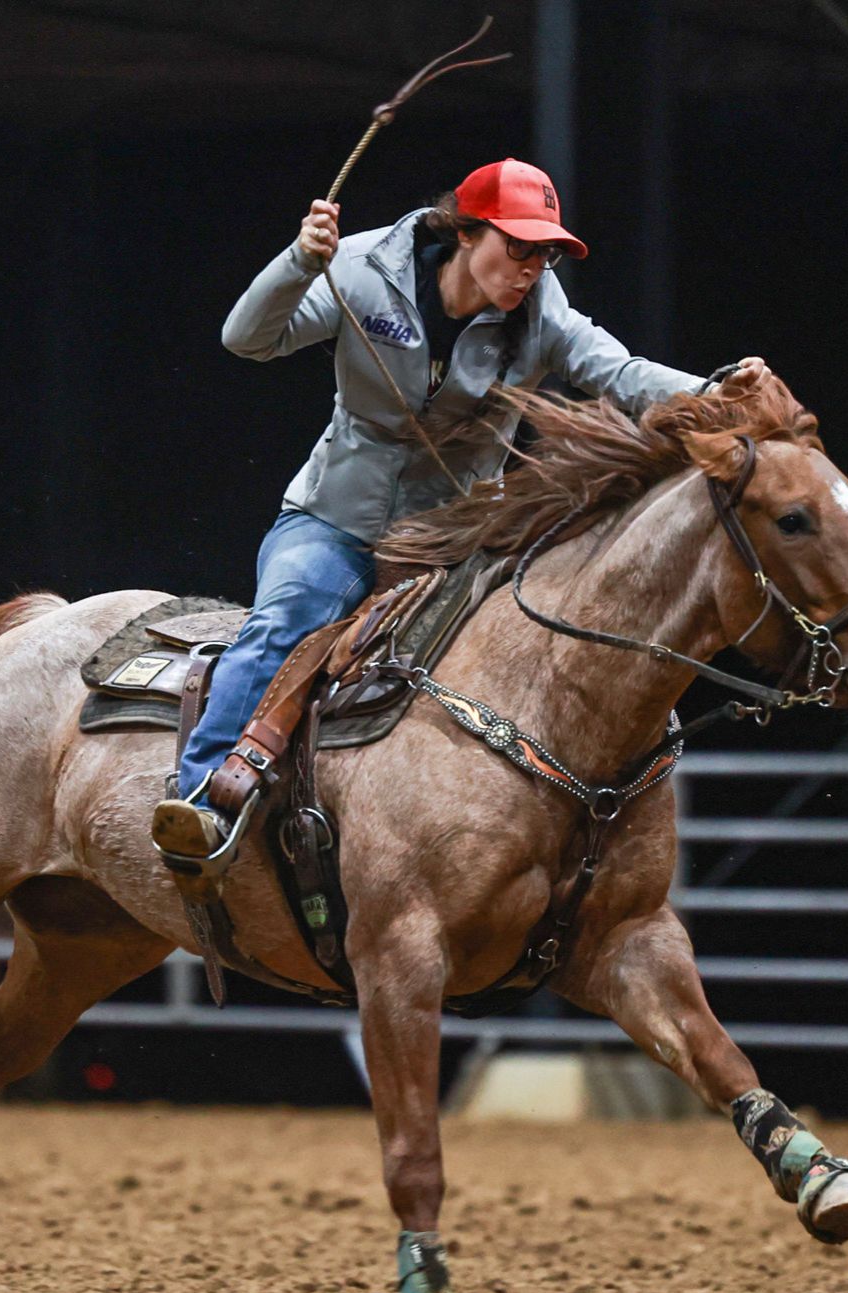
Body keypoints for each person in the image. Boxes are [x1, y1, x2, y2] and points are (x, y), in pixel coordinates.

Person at [153, 157, 768, 860]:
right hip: (336, 521)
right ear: (468, 233)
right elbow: (248, 339)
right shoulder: (359, 268)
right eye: (518, 247)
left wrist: (716, 392)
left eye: (544, 253)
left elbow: (620, 374)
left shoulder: (544, 311)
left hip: (461, 538)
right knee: (287, 617)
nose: (531, 268)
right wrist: (298, 262)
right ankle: (200, 802)